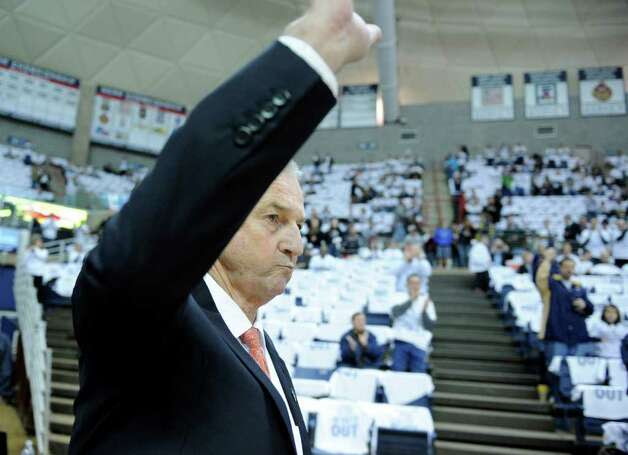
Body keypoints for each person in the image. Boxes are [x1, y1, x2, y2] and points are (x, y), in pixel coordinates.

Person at [69, 2, 382, 454]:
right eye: (274, 219)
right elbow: (166, 221)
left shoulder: (261, 349)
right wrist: (309, 56)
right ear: (218, 218)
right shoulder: (151, 321)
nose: (295, 244)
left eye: (300, 226)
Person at [544, 258, 595, 359]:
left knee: (575, 371)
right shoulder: (552, 284)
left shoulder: (578, 287)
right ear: (560, 268)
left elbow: (590, 309)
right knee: (555, 368)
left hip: (577, 334)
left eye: (572, 267)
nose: (569, 269)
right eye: (566, 266)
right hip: (558, 334)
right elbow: (540, 275)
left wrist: (584, 305)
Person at [390, 274, 436, 373]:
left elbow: (430, 326)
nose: (414, 286)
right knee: (397, 371)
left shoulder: (426, 301)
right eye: (412, 283)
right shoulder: (399, 296)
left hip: (419, 343)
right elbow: (395, 313)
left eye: (417, 283)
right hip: (401, 340)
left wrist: (424, 312)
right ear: (407, 284)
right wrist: (411, 300)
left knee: (418, 373)